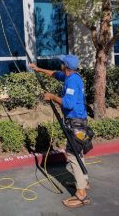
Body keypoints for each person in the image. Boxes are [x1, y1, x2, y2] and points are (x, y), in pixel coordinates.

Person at [29, 54, 91, 208]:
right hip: (76, 121)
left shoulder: (72, 81)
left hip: (76, 123)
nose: (60, 64)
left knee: (73, 154)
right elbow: (55, 74)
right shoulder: (71, 76)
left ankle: (81, 194)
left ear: (66, 66)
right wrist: (38, 69)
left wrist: (51, 96)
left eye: (62, 63)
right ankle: (83, 181)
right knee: (78, 152)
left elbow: (68, 104)